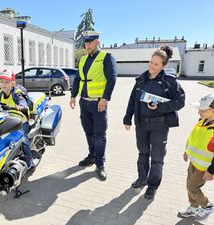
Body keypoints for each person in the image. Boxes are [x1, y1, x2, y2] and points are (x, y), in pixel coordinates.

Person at [123, 46, 185, 199]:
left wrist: (161, 106)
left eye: (156, 64)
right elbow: (132, 100)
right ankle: (142, 179)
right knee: (143, 153)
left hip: (160, 125)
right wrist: (127, 118)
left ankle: (152, 186)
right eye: (151, 62)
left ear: (163, 66)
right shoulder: (140, 80)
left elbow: (180, 101)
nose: (152, 66)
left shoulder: (169, 82)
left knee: (157, 158)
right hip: (142, 124)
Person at [70, 30, 117, 181]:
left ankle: (100, 164)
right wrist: (73, 95)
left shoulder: (106, 57)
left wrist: (105, 98)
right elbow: (77, 79)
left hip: (98, 104)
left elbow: (112, 79)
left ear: (98, 42)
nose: (87, 45)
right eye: (86, 42)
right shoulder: (83, 59)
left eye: (90, 42)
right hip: (84, 103)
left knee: (99, 135)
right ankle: (92, 156)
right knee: (88, 132)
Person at [0, 69, 34, 169]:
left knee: (22, 138)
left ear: (13, 83)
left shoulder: (16, 93)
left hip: (20, 120)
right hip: (7, 119)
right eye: (1, 81)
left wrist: (21, 106)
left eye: (7, 82)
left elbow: (22, 102)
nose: (4, 84)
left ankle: (29, 158)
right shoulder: (0, 93)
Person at [178, 94, 214, 220]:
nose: (199, 112)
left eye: (203, 110)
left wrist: (211, 171)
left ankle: (207, 206)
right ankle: (193, 207)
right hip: (194, 161)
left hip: (205, 167)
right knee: (189, 184)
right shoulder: (202, 121)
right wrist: (187, 151)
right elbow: (194, 138)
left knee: (192, 187)